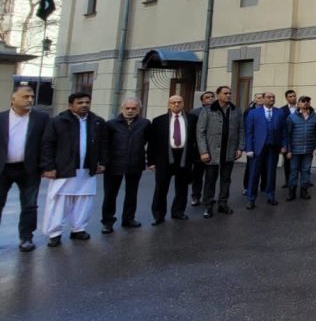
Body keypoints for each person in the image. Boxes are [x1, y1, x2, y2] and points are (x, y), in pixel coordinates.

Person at [40, 92, 106, 247]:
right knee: (59, 202)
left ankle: (78, 229)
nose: (84, 105)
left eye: (87, 102)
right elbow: (47, 145)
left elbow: (103, 144)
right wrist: (48, 167)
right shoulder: (58, 121)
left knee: (84, 200)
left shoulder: (97, 121)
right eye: (80, 102)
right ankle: (54, 233)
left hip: (87, 169)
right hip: (64, 169)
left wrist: (102, 162)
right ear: (70, 105)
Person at [0, 86, 49, 251]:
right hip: (3, 169)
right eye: (25, 96)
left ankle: (26, 238)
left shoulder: (41, 118)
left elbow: (46, 144)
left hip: (29, 169)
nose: (30, 99)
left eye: (32, 96)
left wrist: (46, 166)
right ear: (13, 99)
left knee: (29, 205)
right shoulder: (1, 118)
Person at [100, 98, 150, 233]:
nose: (130, 111)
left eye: (133, 108)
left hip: (135, 163)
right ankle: (108, 221)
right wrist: (103, 163)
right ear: (122, 109)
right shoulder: (111, 124)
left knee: (132, 193)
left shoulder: (144, 124)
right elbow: (104, 145)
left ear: (139, 109)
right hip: (114, 164)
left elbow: (145, 141)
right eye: (127, 108)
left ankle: (128, 219)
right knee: (110, 194)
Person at [147, 95, 198, 224]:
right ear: (169, 105)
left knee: (182, 187)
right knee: (161, 187)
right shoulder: (158, 121)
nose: (176, 104)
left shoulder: (192, 119)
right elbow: (152, 142)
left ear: (183, 104)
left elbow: (196, 140)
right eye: (173, 102)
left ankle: (178, 212)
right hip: (164, 157)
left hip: (184, 156)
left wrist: (194, 159)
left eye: (179, 102)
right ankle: (158, 215)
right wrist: (151, 161)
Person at [197, 86, 244, 218]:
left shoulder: (236, 111)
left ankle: (223, 203)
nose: (228, 95)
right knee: (210, 179)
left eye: (230, 93)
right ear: (218, 95)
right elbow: (200, 132)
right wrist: (203, 151)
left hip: (229, 151)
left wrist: (240, 148)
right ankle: (208, 204)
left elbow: (241, 130)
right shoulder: (207, 110)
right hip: (212, 151)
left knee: (226, 179)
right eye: (225, 93)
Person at [243, 91, 287, 209]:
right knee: (254, 174)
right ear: (262, 99)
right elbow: (249, 132)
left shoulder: (280, 112)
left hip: (273, 147)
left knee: (271, 173)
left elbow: (284, 131)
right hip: (258, 148)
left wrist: (284, 145)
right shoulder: (253, 113)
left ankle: (270, 196)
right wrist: (249, 148)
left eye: (273, 97)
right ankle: (251, 198)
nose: (272, 99)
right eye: (269, 97)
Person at [284, 96, 316, 201]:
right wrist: (288, 150)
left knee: (306, 170)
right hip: (294, 151)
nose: (306, 103)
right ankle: (291, 192)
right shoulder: (292, 117)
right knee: (293, 171)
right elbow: (287, 135)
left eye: (308, 101)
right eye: (303, 101)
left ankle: (304, 191)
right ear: (298, 104)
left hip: (309, 150)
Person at [189, 90, 215, 206]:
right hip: (198, 150)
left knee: (211, 175)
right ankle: (195, 196)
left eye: (212, 97)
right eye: (207, 97)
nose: (210, 99)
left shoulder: (219, 111)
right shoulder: (195, 112)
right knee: (197, 175)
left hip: (214, 149)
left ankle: (208, 197)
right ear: (202, 100)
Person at [242, 92, 266, 197]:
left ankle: (264, 186)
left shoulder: (268, 110)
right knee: (251, 167)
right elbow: (247, 129)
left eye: (262, 97)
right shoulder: (249, 111)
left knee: (265, 167)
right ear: (255, 100)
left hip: (265, 143)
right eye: (259, 98)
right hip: (253, 144)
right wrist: (247, 146)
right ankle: (247, 187)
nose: (261, 99)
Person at [280, 90, 298, 188]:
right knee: (287, 162)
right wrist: (282, 144)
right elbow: (280, 127)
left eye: (294, 96)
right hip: (286, 140)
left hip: (298, 139)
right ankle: (287, 181)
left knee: (299, 161)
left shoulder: (300, 108)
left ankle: (300, 180)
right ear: (286, 98)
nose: (293, 98)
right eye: (290, 96)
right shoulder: (282, 110)